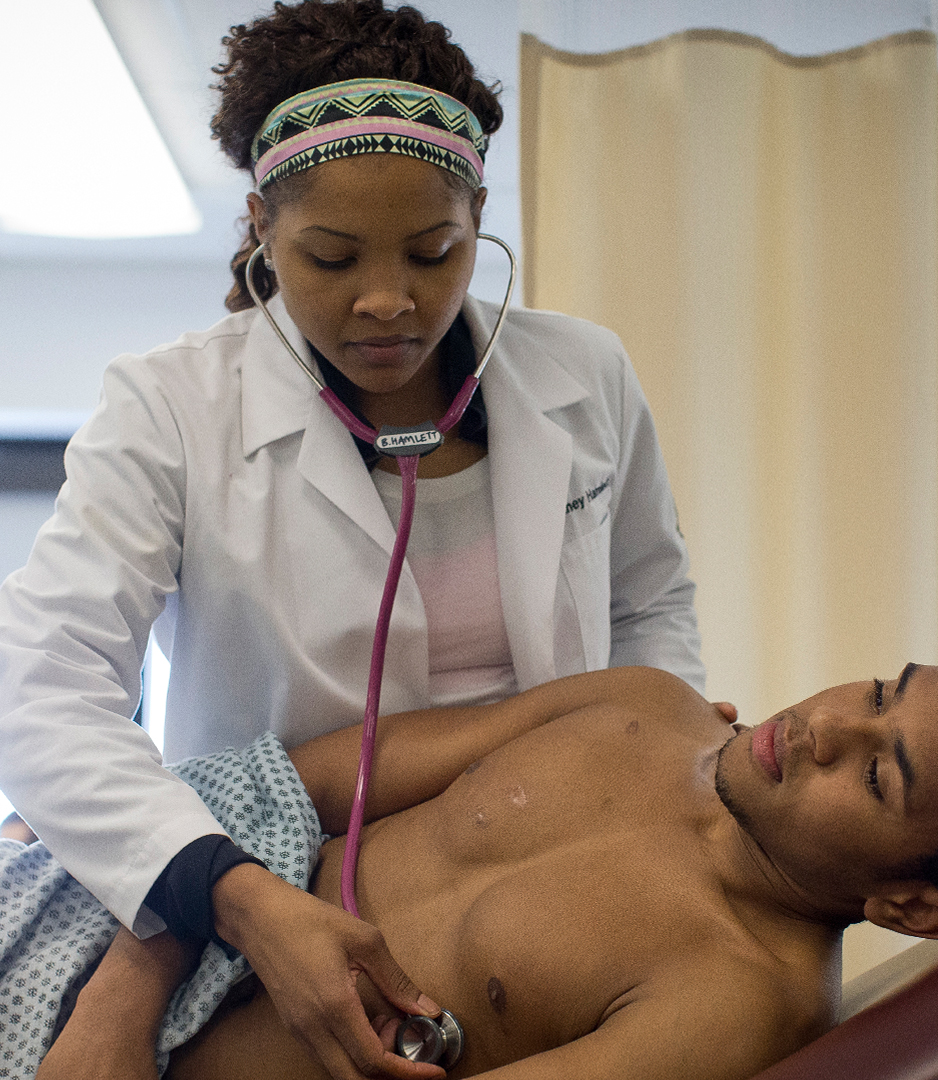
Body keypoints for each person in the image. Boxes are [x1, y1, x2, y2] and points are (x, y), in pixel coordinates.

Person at [0, 3, 703, 1076]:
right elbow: (43, 683)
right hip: (272, 885)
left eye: (434, 252)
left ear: (479, 217)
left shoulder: (584, 375)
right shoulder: (172, 407)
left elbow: (649, 601)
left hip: (551, 861)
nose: (387, 301)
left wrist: (664, 777)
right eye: (331, 258)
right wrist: (228, 894)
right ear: (260, 229)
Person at [27, 662, 938, 1080]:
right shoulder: (641, 704)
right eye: (884, 691)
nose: (829, 727)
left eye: (879, 775)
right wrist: (125, 996)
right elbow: (290, 784)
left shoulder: (736, 1006)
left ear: (910, 907)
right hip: (115, 925)